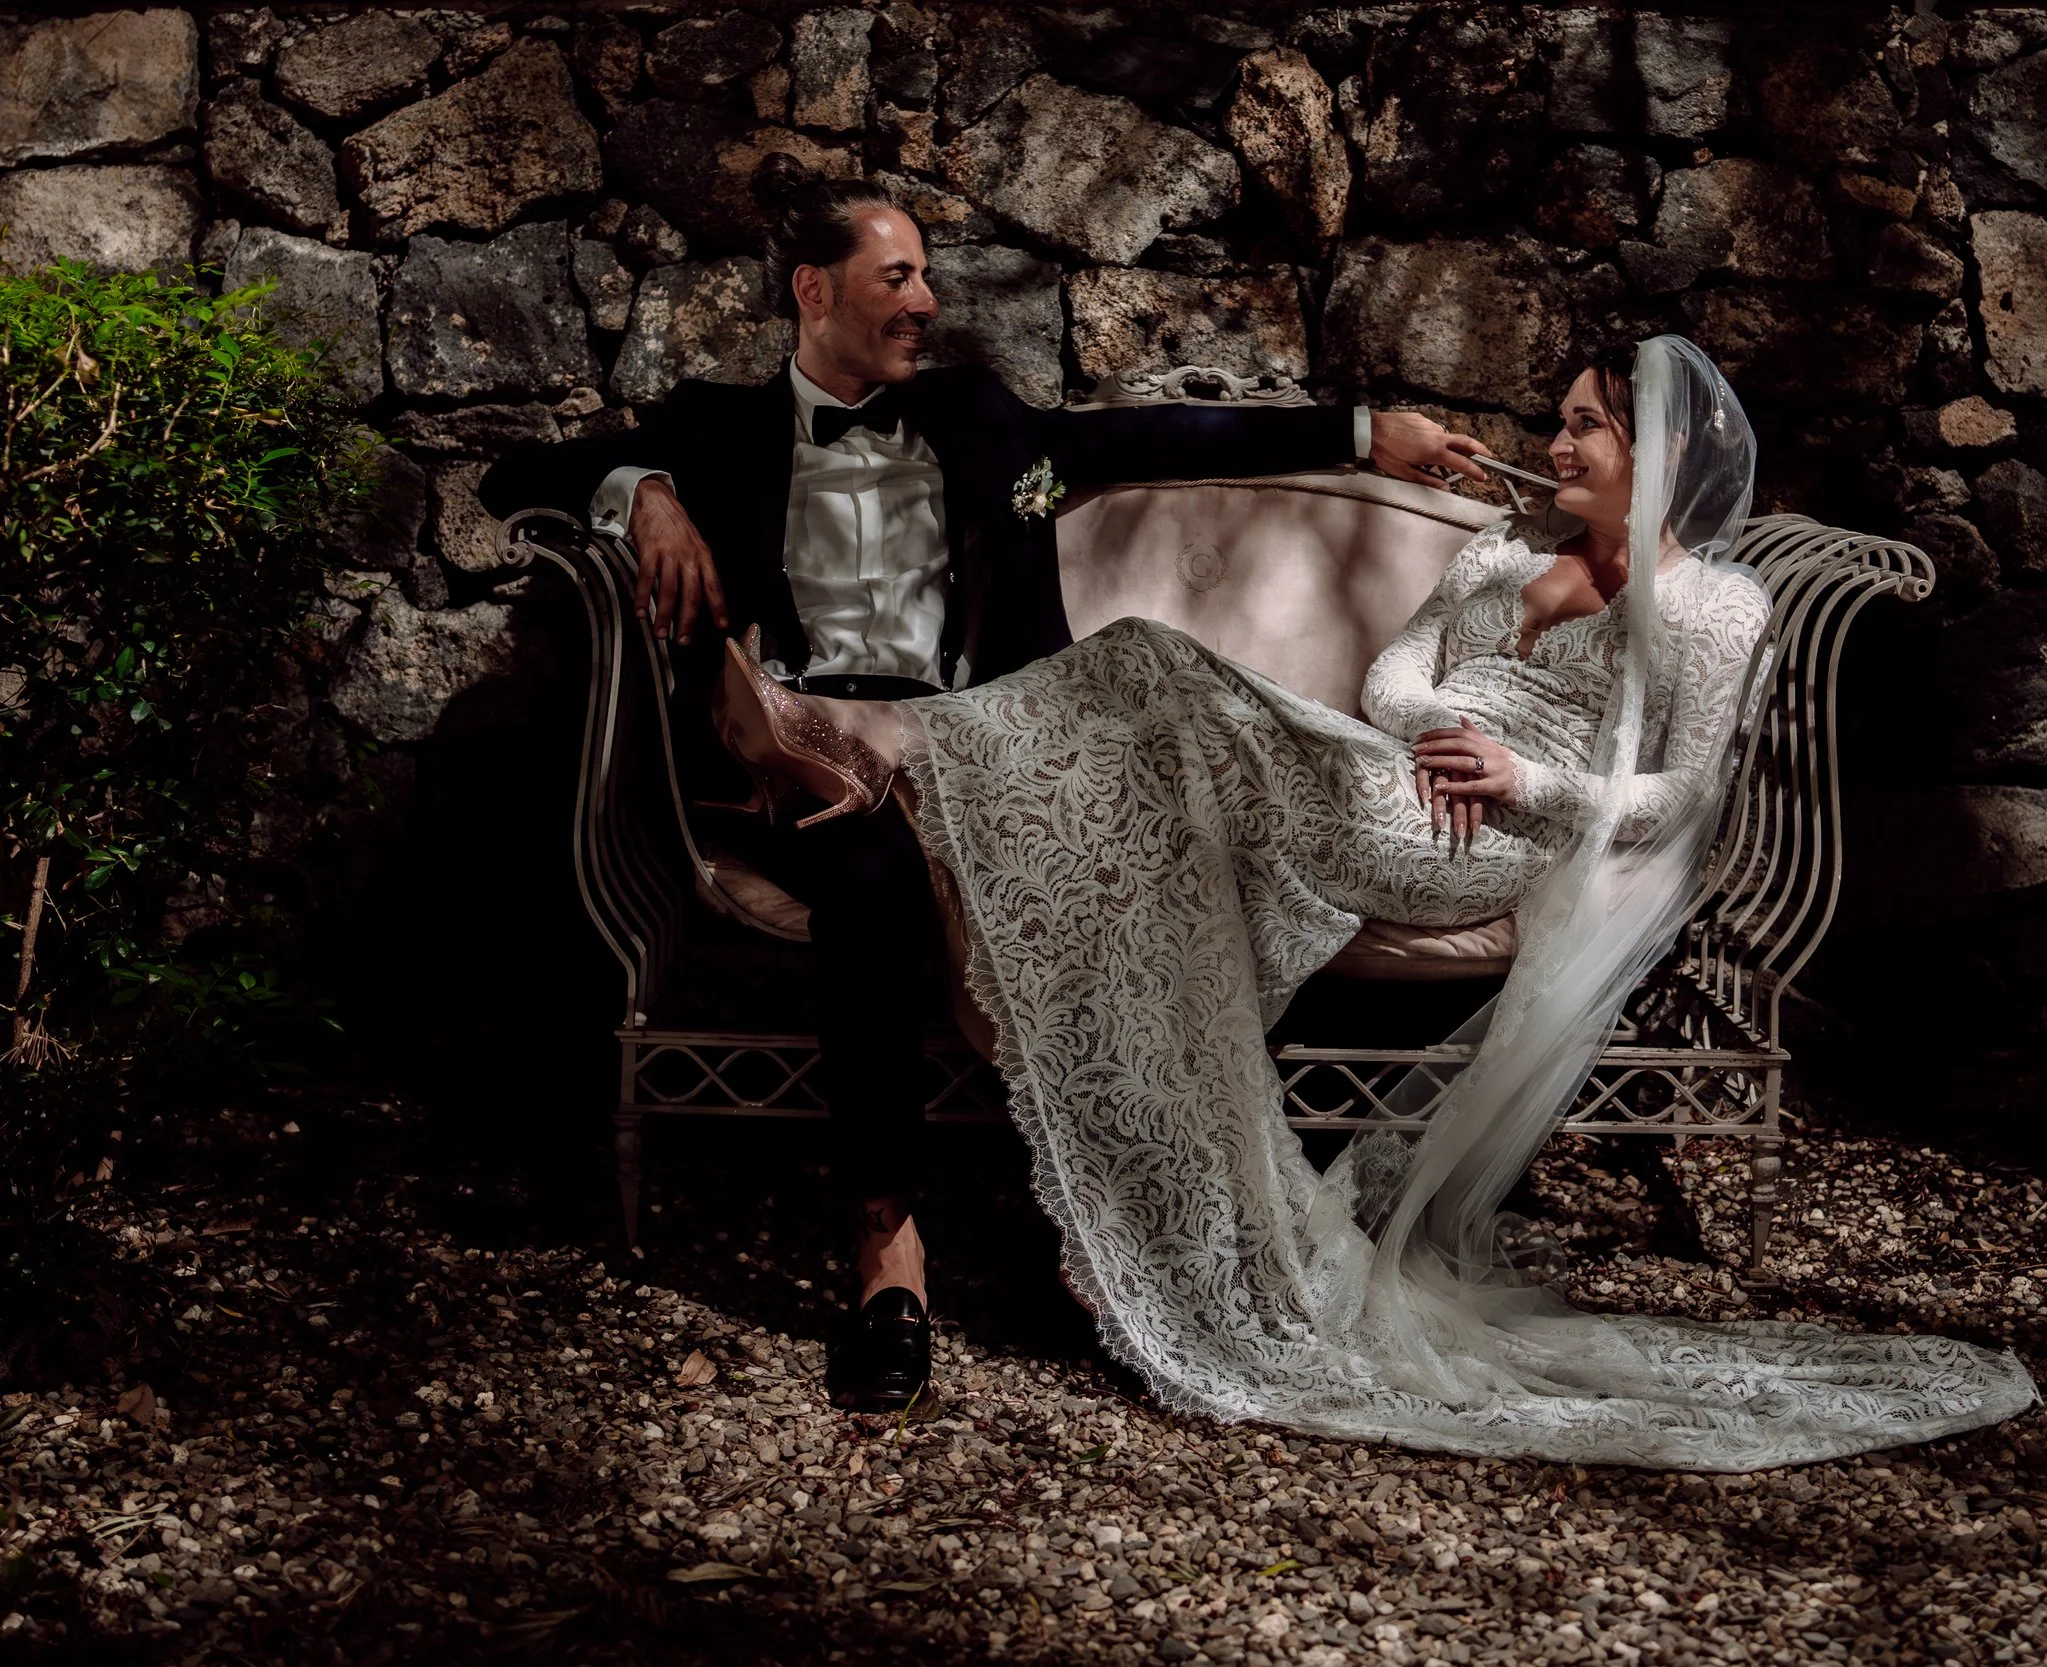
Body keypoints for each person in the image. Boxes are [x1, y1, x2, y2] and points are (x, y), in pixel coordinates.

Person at [710, 335, 2039, 1468]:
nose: (1557, 443)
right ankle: (1116, 1168)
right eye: (1562, 423)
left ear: (1659, 448)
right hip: (1390, 776)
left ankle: (885, 742)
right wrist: (1441, 725)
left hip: (1488, 831)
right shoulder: (1505, 553)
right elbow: (1398, 675)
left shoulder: (1715, 605)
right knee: (1138, 760)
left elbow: (1680, 798)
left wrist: (1520, 770)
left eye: (1584, 425)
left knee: (1151, 671)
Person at [478, 156, 1488, 1412]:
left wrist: (1358, 433)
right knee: (864, 871)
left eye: (926, 276)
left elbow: (1149, 437)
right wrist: (648, 499)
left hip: (986, 749)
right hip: (815, 769)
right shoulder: (714, 427)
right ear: (813, 290)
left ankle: (1133, 1239)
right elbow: (511, 477)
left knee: (1129, 817)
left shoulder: (980, 424)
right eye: (896, 276)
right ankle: (886, 1252)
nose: (926, 301)